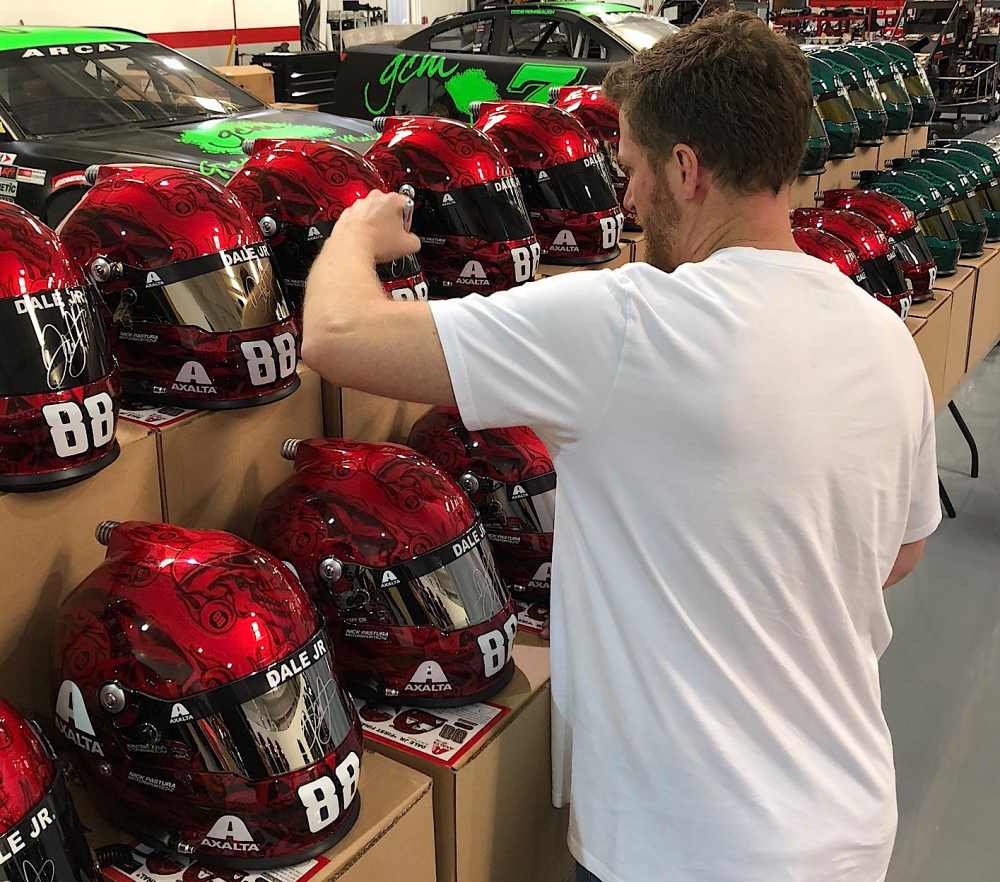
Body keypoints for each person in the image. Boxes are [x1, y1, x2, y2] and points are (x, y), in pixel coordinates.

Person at [301, 11, 940, 882]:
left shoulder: (628, 327)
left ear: (686, 169)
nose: (628, 200)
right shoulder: (880, 337)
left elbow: (337, 336)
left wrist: (353, 233)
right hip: (848, 823)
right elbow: (901, 550)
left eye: (633, 168)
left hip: (686, 850)